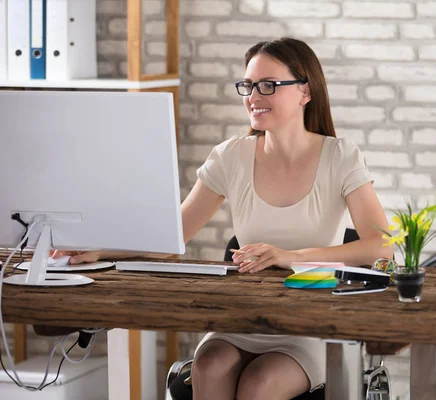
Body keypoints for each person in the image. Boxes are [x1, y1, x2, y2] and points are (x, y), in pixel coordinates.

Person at [56, 37, 392, 399]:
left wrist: (288, 257)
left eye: (268, 86)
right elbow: (174, 235)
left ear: (305, 92)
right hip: (241, 318)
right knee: (208, 365)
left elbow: (381, 246)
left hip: (308, 322)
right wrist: (102, 250)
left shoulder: (340, 156)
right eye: (248, 86)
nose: (253, 96)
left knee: (259, 383)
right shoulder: (231, 156)